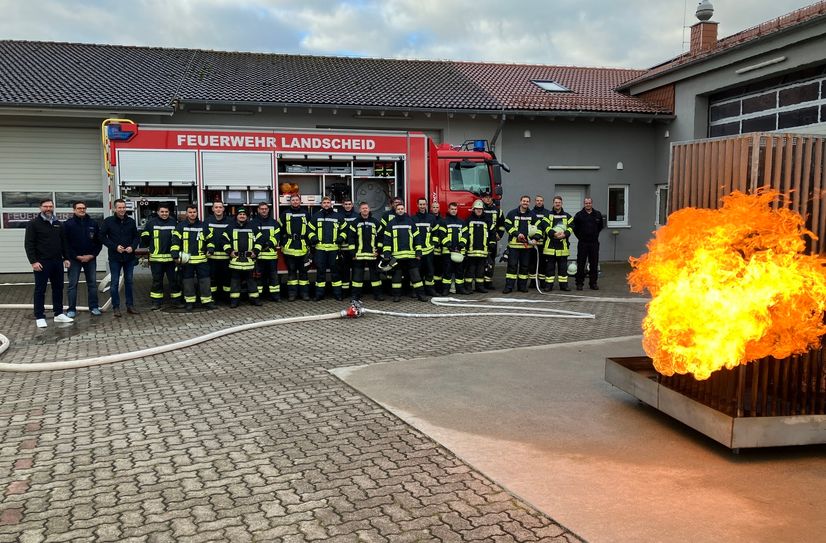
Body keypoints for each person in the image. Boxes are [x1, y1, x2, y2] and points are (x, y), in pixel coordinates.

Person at [24, 198, 72, 328]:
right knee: (40, 290)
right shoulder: (33, 224)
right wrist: (33, 262)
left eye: (50, 206)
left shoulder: (58, 223)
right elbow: (29, 244)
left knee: (58, 288)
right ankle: (39, 316)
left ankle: (58, 314)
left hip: (57, 262)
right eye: (45, 206)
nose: (48, 209)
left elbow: (64, 243)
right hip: (42, 263)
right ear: (40, 208)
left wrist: (66, 258)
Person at [382, 201, 428, 302]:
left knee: (416, 276)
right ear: (395, 210)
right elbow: (387, 240)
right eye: (398, 209)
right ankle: (396, 296)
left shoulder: (410, 222)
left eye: (402, 209)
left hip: (411, 255)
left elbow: (417, 238)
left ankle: (421, 295)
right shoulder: (391, 224)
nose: (400, 210)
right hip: (396, 256)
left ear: (404, 210)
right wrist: (386, 253)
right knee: (396, 277)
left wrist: (418, 252)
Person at [101, 198, 140, 317]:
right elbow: (102, 237)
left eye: (124, 207)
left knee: (129, 282)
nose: (122, 210)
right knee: (114, 283)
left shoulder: (131, 222)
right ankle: (116, 307)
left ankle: (130, 306)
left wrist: (132, 247)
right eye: (119, 207)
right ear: (114, 208)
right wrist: (115, 247)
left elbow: (136, 237)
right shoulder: (108, 221)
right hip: (115, 257)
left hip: (129, 257)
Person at [171, 204, 214, 311]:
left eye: (194, 212)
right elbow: (175, 241)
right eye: (190, 212)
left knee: (205, 281)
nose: (192, 214)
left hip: (201, 259)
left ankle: (207, 301)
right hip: (187, 260)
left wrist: (211, 249)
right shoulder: (181, 226)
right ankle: (189, 302)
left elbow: (210, 240)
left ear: (197, 213)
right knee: (187, 282)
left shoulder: (203, 226)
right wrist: (175, 254)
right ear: (186, 213)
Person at [63, 200, 102, 317]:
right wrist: (75, 256)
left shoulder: (93, 223)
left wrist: (92, 255)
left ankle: (94, 307)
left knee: (92, 284)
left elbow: (98, 242)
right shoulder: (68, 224)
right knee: (72, 285)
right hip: (74, 259)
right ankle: (71, 309)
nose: (82, 210)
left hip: (90, 259)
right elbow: (65, 243)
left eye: (84, 208)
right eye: (79, 208)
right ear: (74, 210)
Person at [141, 203, 181, 310]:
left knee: (174, 280)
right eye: (162, 212)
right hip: (156, 259)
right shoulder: (151, 223)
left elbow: (178, 238)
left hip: (171, 259)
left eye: (166, 212)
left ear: (169, 212)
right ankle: (156, 302)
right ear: (158, 212)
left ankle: (176, 301)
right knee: (157, 281)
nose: (164, 214)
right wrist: (148, 243)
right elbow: (144, 236)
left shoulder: (174, 222)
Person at [223, 207, 262, 307]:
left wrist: (256, 251)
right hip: (235, 260)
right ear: (236, 216)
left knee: (251, 281)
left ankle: (255, 299)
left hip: (249, 260)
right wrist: (229, 251)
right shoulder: (230, 227)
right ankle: (234, 301)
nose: (242, 216)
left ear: (247, 216)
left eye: (244, 214)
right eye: (240, 214)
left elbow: (260, 240)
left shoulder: (253, 227)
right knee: (235, 281)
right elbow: (224, 240)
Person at [309, 196, 346, 301]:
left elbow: (345, 229)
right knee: (320, 272)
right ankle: (319, 294)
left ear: (331, 204)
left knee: (335, 272)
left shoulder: (338, 216)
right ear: (321, 204)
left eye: (328, 202)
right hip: (320, 249)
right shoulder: (316, 216)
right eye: (324, 202)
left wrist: (341, 238)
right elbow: (309, 229)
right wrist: (313, 238)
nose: (326, 204)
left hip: (334, 249)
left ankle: (337, 294)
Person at [503, 195, 539, 294]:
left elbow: (539, 227)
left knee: (524, 266)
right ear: (520, 202)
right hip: (514, 246)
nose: (525, 203)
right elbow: (507, 225)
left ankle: (522, 286)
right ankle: (509, 286)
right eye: (524, 201)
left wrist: (536, 238)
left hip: (526, 247)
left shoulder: (532, 215)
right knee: (512, 266)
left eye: (527, 201)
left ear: (529, 203)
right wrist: (517, 234)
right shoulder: (512, 213)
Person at [279, 194, 312, 301]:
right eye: (293, 200)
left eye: (297, 200)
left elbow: (310, 229)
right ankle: (292, 294)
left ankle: (304, 294)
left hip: (302, 247)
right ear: (290, 202)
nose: (295, 202)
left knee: (303, 272)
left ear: (300, 201)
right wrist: (283, 242)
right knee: (291, 272)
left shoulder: (306, 214)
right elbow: (279, 229)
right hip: (289, 247)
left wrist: (309, 244)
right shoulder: (284, 214)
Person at [350, 202, 384, 302]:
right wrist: (352, 252)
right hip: (359, 255)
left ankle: (378, 294)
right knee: (357, 277)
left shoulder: (375, 222)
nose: (365, 210)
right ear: (360, 210)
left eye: (366, 208)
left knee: (375, 276)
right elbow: (351, 238)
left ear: (369, 209)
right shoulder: (355, 222)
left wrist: (379, 250)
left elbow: (381, 237)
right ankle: (356, 296)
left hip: (372, 254)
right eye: (363, 208)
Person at [541, 196, 573, 291]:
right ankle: (548, 286)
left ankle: (564, 286)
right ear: (553, 203)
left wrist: (565, 234)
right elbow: (545, 226)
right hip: (550, 246)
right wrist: (554, 234)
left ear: (561, 203)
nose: (557, 204)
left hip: (563, 246)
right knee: (549, 268)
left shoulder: (567, 216)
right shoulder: (547, 215)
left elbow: (572, 226)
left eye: (559, 202)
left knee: (563, 268)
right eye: (556, 202)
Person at [572, 197, 605, 290]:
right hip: (583, 243)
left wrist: (594, 235)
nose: (588, 204)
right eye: (586, 203)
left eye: (589, 203)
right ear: (584, 204)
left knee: (594, 264)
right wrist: (581, 237)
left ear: (592, 203)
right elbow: (575, 228)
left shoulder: (597, 214)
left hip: (594, 243)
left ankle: (593, 283)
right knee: (581, 263)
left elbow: (600, 227)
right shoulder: (579, 215)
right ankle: (579, 284)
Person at [251, 202, 281, 302]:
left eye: (265, 208)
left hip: (271, 255)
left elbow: (277, 236)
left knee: (273, 277)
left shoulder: (274, 223)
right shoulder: (253, 223)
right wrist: (258, 247)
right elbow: (250, 236)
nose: (264, 210)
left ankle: (275, 296)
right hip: (258, 256)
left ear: (268, 210)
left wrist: (268, 244)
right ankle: (258, 297)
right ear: (258, 210)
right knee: (258, 277)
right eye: (262, 209)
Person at [462, 200, 493, 293]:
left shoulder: (487, 220)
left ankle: (480, 287)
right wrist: (465, 247)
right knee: (470, 270)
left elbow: (492, 232)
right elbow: (464, 234)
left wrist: (492, 244)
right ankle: (468, 287)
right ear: (473, 209)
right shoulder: (468, 220)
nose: (479, 210)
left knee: (481, 271)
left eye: (480, 209)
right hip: (471, 250)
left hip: (483, 250)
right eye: (477, 209)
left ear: (483, 210)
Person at [205, 201, 232, 303]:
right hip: (212, 257)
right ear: (212, 209)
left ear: (223, 209)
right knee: (212, 279)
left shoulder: (230, 221)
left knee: (226, 279)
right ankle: (213, 298)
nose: (218, 209)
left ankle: (226, 298)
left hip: (226, 257)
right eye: (216, 207)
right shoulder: (207, 222)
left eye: (220, 207)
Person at [438, 202, 466, 295]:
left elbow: (465, 235)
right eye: (452, 209)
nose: (454, 211)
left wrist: (460, 245)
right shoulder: (444, 221)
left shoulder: (462, 222)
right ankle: (446, 289)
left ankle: (460, 289)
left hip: (459, 251)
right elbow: (442, 235)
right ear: (448, 210)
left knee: (459, 271)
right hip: (447, 252)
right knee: (447, 271)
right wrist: (449, 246)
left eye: (455, 209)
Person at [413, 198, 439, 296]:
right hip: (418, 250)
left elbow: (436, 231)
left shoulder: (431, 218)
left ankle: (430, 290)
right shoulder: (413, 218)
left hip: (429, 250)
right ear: (417, 205)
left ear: (426, 205)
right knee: (417, 271)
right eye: (420, 204)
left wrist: (434, 243)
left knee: (430, 271)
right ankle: (416, 291)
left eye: (424, 204)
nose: (422, 206)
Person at [480, 189, 504, 289]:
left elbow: (502, 225)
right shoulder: (479, 209)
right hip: (481, 239)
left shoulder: (498, 211)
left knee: (491, 261)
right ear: (482, 199)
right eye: (486, 197)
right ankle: (480, 283)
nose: (488, 199)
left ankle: (488, 283)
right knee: (481, 261)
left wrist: (499, 234)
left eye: (489, 198)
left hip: (493, 239)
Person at [338, 197, 358, 296]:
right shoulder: (339, 216)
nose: (347, 206)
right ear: (343, 205)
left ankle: (355, 292)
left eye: (349, 204)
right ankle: (345, 291)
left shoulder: (356, 216)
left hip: (354, 248)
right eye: (346, 204)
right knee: (345, 271)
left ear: (352, 205)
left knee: (356, 270)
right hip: (343, 248)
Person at [530, 195, 549, 287]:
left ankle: (542, 282)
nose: (539, 202)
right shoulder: (530, 212)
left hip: (544, 242)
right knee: (532, 263)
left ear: (543, 202)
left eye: (541, 200)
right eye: (537, 200)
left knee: (543, 263)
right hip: (533, 242)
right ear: (535, 201)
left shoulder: (547, 213)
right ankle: (533, 282)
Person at [430, 201, 444, 293]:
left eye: (437, 207)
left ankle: (438, 288)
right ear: (431, 208)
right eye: (434, 207)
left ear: (439, 208)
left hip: (439, 249)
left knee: (438, 270)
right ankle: (430, 289)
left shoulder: (442, 220)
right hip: (430, 249)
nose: (435, 209)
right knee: (430, 270)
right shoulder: (428, 219)